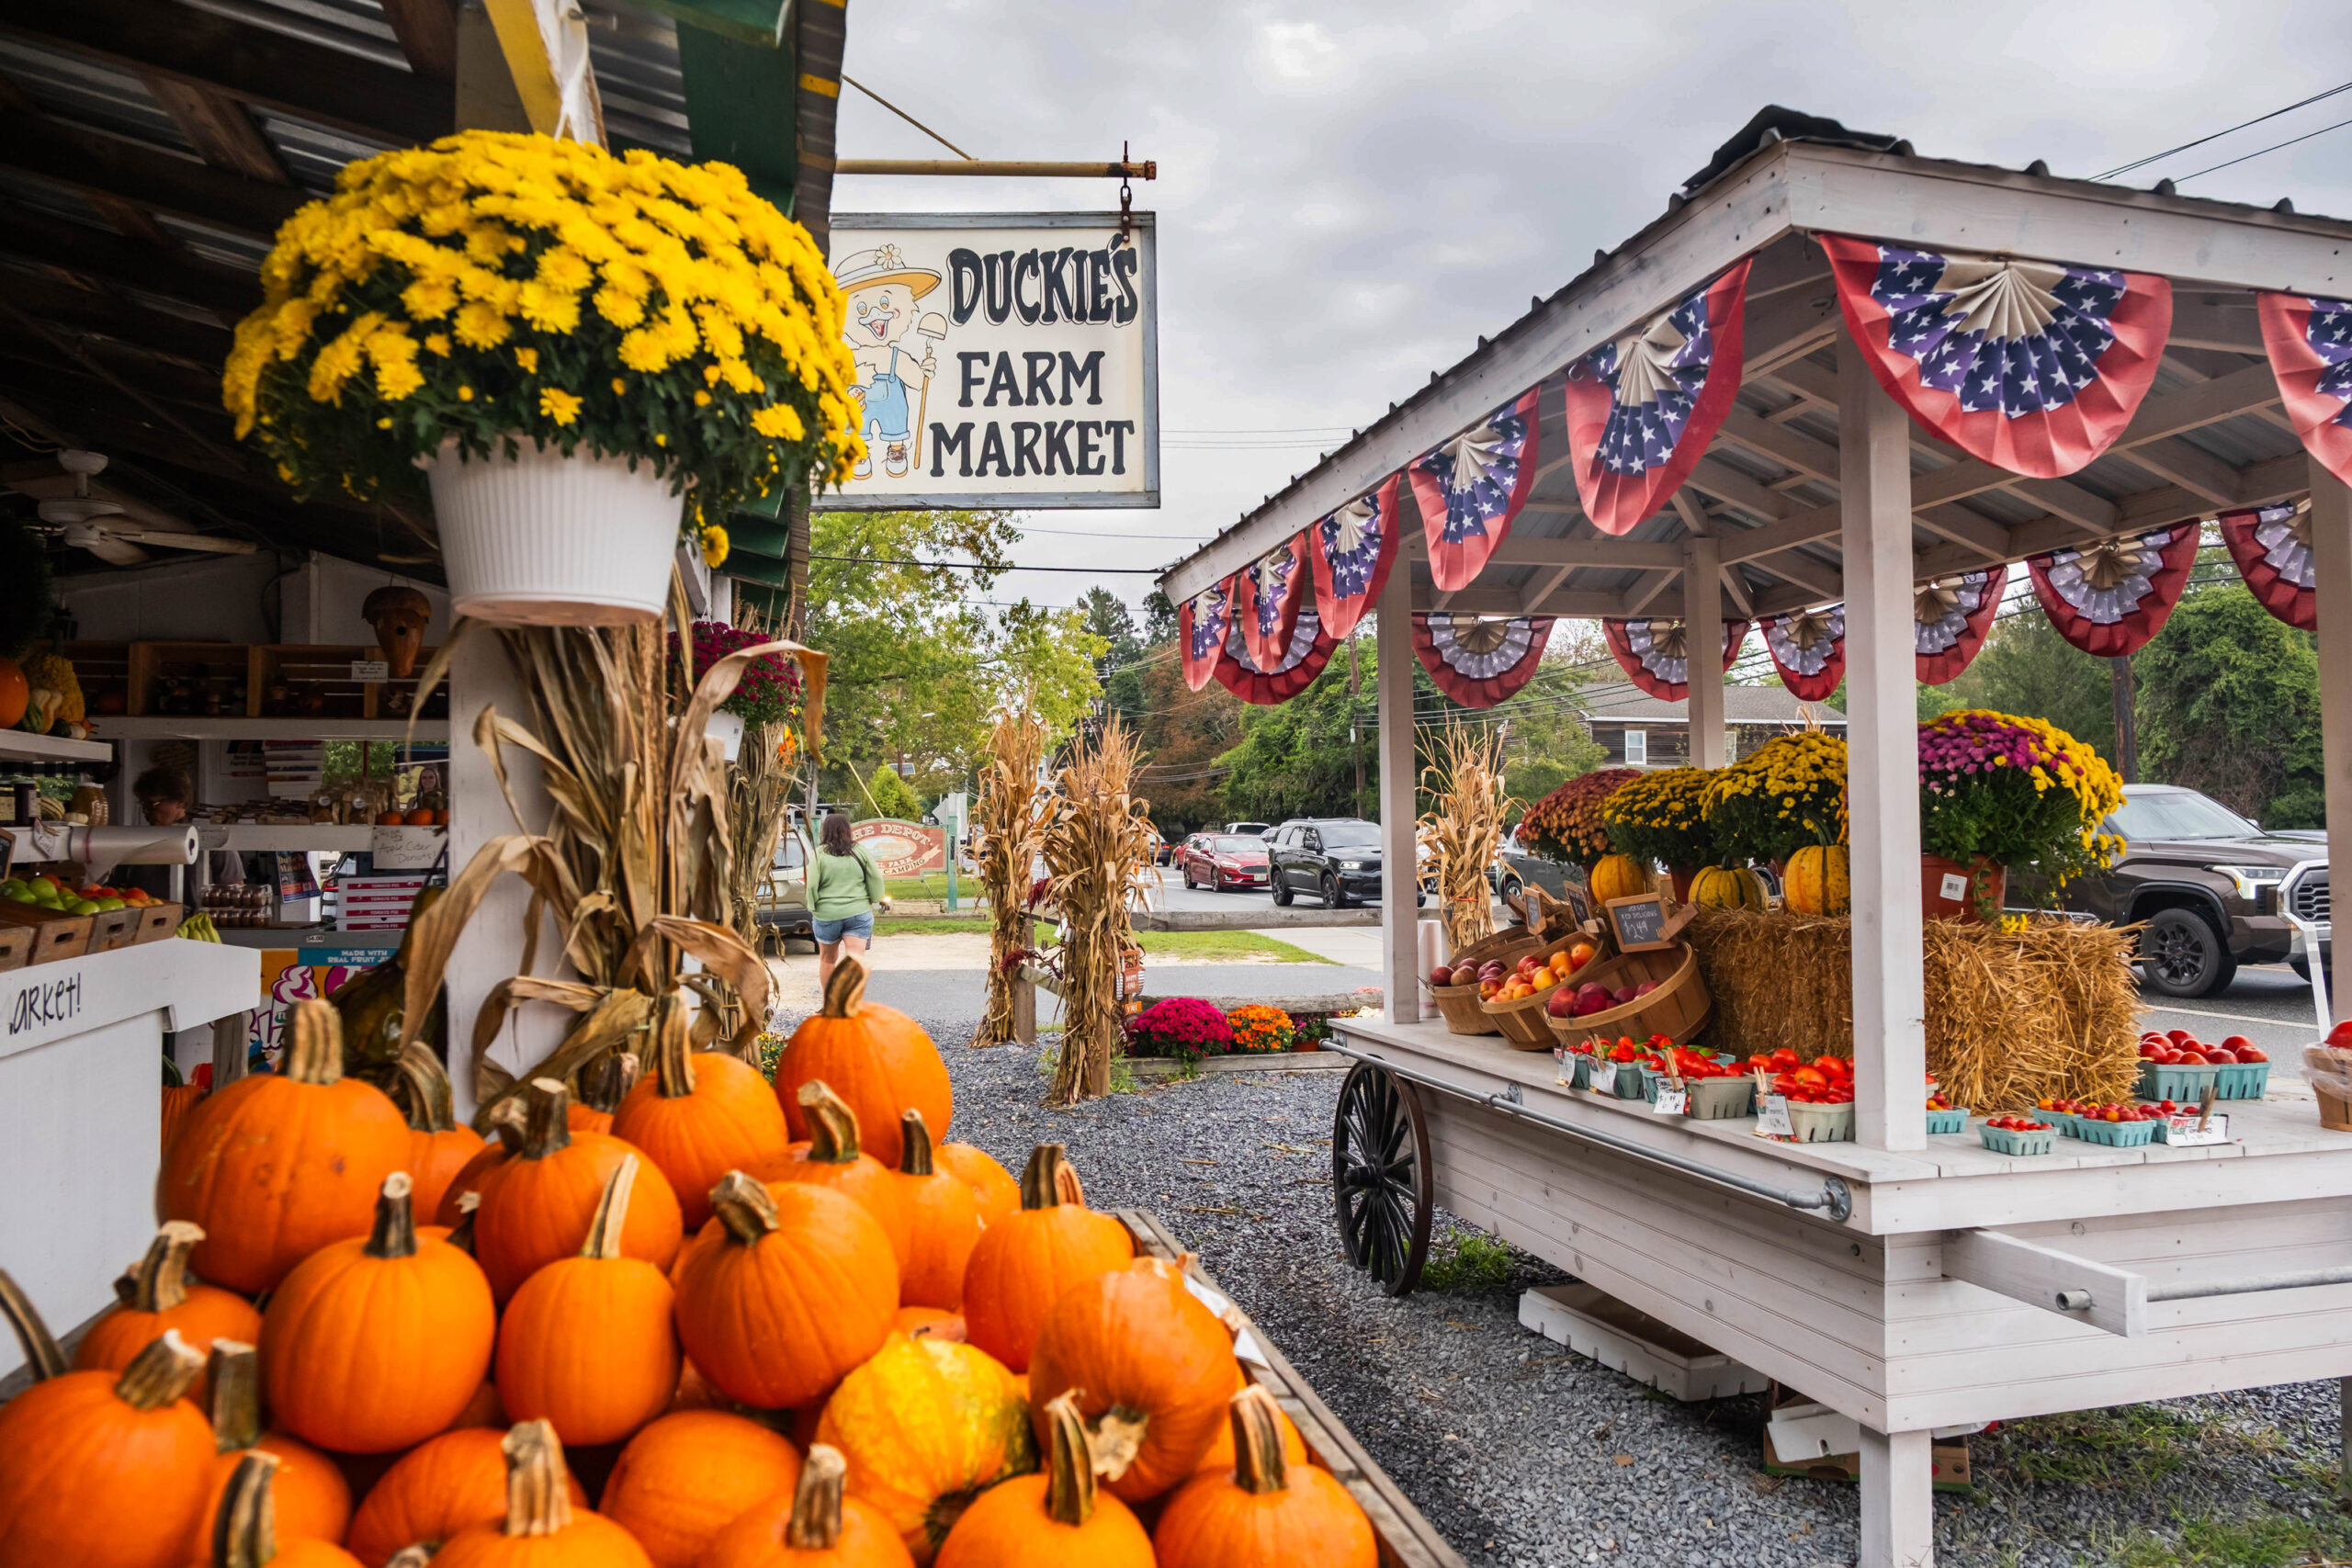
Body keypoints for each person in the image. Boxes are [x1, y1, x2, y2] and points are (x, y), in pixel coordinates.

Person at [808, 811, 887, 986]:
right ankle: (850, 1003)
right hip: (858, 912)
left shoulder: (819, 854)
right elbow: (875, 877)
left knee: (827, 960)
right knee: (855, 960)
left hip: (827, 914)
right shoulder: (859, 851)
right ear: (848, 830)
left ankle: (830, 1004)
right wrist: (877, 898)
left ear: (825, 831)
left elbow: (812, 884)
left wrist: (813, 906)